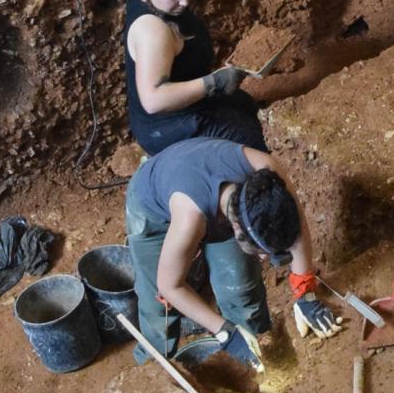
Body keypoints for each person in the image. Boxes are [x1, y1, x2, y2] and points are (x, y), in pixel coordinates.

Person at [124, 0, 384, 157]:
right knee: (256, 142)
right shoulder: (154, 33)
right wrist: (212, 83)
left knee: (248, 107)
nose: (185, 1)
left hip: (193, 101)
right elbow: (153, 100)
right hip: (168, 126)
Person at [123, 135, 343, 365]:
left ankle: (260, 354)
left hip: (199, 178)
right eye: (261, 252)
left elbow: (295, 225)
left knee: (241, 286)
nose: (263, 258)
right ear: (236, 228)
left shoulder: (268, 174)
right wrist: (224, 331)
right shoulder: (189, 221)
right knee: (157, 308)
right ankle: (154, 365)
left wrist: (305, 291)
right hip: (151, 205)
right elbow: (169, 286)